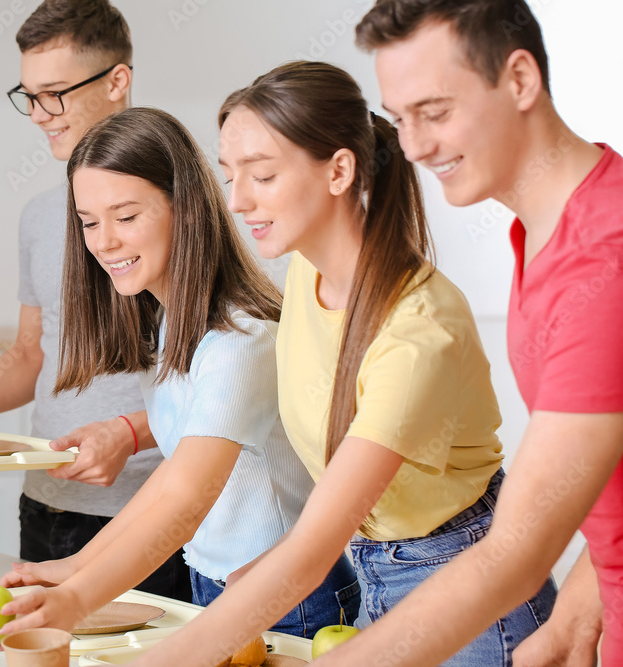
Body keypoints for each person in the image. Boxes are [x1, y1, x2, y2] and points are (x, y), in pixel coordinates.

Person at [128, 61, 557, 667]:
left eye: (263, 175)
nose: (238, 200)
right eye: (231, 176)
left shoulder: (417, 332)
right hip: (376, 572)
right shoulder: (308, 271)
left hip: (471, 598)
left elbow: (313, 548)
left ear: (339, 170)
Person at [295, 1, 621, 664]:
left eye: (436, 112)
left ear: (521, 80)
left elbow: (512, 556)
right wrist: (583, 600)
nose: (413, 146)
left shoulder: (604, 261)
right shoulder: (550, 230)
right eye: (399, 119)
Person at [0, 106, 358, 638]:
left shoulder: (240, 340)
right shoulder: (170, 324)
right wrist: (78, 567)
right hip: (216, 585)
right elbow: (174, 475)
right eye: (89, 221)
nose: (103, 242)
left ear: (183, 208)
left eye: (126, 216)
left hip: (290, 602)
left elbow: (186, 501)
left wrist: (79, 597)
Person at [0, 0, 190, 601]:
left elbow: (229, 387)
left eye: (56, 93)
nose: (39, 115)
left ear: (117, 81)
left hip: (148, 511)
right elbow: (30, 354)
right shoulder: (42, 218)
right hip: (45, 501)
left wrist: (128, 433)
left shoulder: (178, 208)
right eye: (29, 95)